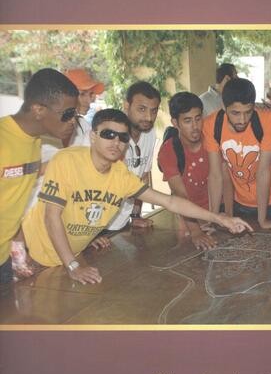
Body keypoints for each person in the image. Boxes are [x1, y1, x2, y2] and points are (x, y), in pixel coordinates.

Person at [19, 109, 251, 285]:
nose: (116, 142)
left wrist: (221, 219)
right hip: (31, 258)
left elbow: (170, 202)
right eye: (108, 134)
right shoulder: (67, 161)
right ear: (93, 136)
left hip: (69, 258)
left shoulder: (121, 176)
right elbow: (51, 217)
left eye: (123, 137)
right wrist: (73, 266)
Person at [0, 68, 79, 284]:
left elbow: (14, 201)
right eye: (67, 114)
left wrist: (17, 248)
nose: (73, 121)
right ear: (38, 109)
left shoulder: (34, 142)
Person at [203, 78, 271, 230]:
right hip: (240, 204)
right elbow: (215, 175)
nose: (242, 120)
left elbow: (263, 172)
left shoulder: (268, 119)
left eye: (248, 112)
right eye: (235, 113)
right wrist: (213, 219)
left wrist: (262, 220)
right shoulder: (211, 124)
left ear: (254, 106)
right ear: (223, 106)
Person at [158, 92, 216, 250]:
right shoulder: (168, 151)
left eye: (198, 118)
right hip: (188, 216)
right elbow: (180, 194)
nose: (195, 127)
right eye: (187, 121)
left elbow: (224, 178)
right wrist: (196, 231)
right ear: (175, 123)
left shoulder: (212, 139)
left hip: (217, 211)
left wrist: (220, 216)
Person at [107, 81, 160, 232]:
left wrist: (136, 215)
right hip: (100, 224)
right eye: (142, 109)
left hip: (123, 222)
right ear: (126, 105)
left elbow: (143, 177)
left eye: (154, 111)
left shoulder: (150, 133)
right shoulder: (111, 135)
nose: (148, 117)